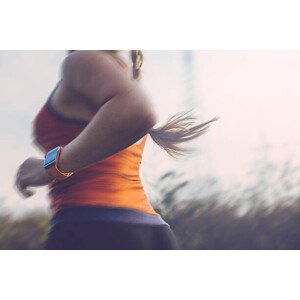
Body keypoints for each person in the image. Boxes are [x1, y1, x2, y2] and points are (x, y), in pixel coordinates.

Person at [14, 50, 216, 250]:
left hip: (92, 229)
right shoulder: (117, 72)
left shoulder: (82, 60)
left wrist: (48, 168)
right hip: (147, 231)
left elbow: (138, 110)